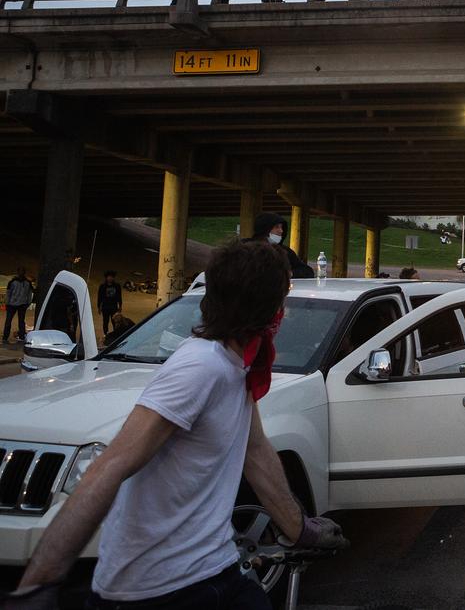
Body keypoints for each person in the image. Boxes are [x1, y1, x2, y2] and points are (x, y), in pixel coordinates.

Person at [9, 241, 348, 608]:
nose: (284, 310)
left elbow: (255, 450)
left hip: (213, 569)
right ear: (267, 309)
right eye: (282, 297)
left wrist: (300, 529)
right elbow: (110, 466)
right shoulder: (199, 367)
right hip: (159, 589)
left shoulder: (237, 367)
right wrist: (37, 586)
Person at [243, 212, 315, 279]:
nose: (281, 231)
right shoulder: (246, 248)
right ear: (265, 229)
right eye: (277, 227)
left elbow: (308, 271)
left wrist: (290, 273)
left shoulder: (285, 251)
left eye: (281, 227)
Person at [3, 266, 33, 345]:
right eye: (20, 271)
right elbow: (8, 293)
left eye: (22, 271)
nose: (21, 273)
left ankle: (22, 337)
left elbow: (29, 294)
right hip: (12, 305)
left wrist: (28, 303)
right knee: (8, 321)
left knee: (21, 322)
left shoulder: (27, 283)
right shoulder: (13, 282)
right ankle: (5, 337)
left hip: (22, 305)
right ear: (18, 272)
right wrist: (7, 303)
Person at [97, 271, 123, 336]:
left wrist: (120, 305)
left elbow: (119, 296)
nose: (110, 278)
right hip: (105, 307)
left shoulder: (117, 286)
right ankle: (105, 334)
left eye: (111, 277)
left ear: (113, 278)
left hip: (114, 306)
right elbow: (99, 297)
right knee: (105, 321)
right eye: (109, 277)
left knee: (115, 321)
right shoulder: (102, 286)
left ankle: (116, 334)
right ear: (106, 278)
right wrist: (99, 307)